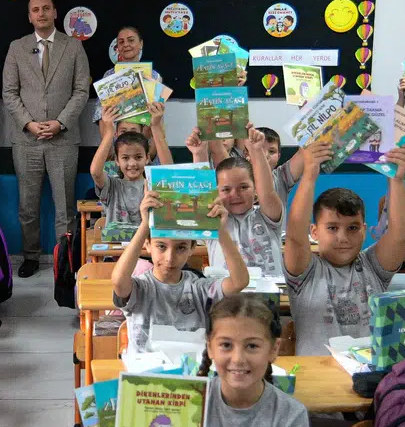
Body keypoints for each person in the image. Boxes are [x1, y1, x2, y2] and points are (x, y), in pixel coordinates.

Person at [105, 294, 311, 427]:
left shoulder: (291, 415)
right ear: (210, 348)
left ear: (274, 349)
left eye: (252, 346)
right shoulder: (189, 405)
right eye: (226, 345)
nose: (238, 358)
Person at [284, 141, 405, 356]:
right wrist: (309, 176)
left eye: (352, 228)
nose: (343, 237)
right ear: (314, 232)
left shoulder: (373, 267)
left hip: (366, 374)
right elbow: (295, 236)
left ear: (364, 230)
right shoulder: (305, 273)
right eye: (332, 228)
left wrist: (396, 179)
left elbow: (399, 234)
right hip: (318, 378)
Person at [2, 0, 91, 277]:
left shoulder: (74, 47)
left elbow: (81, 91)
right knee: (27, 205)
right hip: (26, 140)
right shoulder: (17, 48)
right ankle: (30, 256)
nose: (40, 13)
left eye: (45, 9)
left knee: (65, 206)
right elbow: (9, 93)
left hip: (63, 139)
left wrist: (60, 122)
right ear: (29, 16)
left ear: (55, 12)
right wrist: (28, 123)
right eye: (35, 10)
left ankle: (63, 260)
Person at [112, 190, 248, 354]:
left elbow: (239, 281)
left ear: (192, 248)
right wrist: (144, 226)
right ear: (147, 244)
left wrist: (220, 231)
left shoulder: (198, 288)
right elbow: (119, 282)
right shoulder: (142, 288)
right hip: (147, 374)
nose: (170, 258)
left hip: (190, 373)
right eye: (161, 246)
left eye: (181, 248)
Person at [190, 125, 289, 279]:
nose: (235, 195)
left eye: (243, 187)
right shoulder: (214, 220)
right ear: (216, 192)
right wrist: (199, 153)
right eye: (226, 190)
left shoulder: (268, 216)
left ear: (256, 191)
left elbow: (267, 192)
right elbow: (202, 192)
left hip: (266, 298)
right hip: (227, 297)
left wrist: (256, 150)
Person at [91, 103, 174, 236]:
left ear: (147, 158)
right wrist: (109, 133)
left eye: (138, 157)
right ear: (117, 161)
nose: (132, 163)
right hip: (117, 252)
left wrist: (156, 127)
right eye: (125, 158)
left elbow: (169, 171)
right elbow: (95, 172)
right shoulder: (112, 185)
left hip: (147, 248)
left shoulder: (152, 184)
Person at [93, 27, 163, 124]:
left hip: (144, 135)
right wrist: (108, 137)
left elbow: (157, 115)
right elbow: (101, 116)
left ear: (141, 44)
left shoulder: (154, 76)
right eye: (121, 42)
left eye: (131, 40)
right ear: (117, 47)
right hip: (117, 136)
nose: (126, 44)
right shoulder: (109, 75)